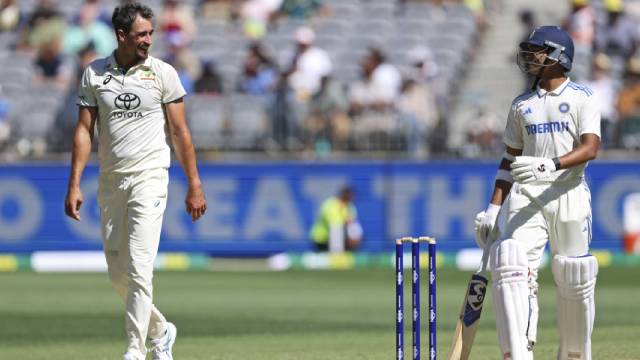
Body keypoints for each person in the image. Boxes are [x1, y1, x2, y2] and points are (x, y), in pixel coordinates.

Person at [64, 3, 207, 360]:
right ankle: (161, 331)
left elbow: (180, 131)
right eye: (141, 34)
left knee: (141, 266)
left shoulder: (163, 73)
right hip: (112, 181)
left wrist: (194, 183)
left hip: (151, 177)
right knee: (118, 273)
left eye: (150, 33)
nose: (148, 40)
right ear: (121, 35)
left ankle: (134, 349)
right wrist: (74, 183)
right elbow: (84, 131)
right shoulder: (95, 74)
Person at [475, 26, 600, 359]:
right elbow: (508, 158)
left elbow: (590, 148)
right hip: (526, 194)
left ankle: (574, 354)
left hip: (568, 192)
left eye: (537, 50)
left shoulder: (581, 97)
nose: (529, 56)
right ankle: (518, 352)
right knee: (509, 261)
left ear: (559, 56)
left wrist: (552, 165)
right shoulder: (521, 105)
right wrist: (493, 207)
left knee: (574, 275)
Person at [310, 186, 363, 252]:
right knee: (336, 229)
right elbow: (334, 224)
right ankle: (336, 254)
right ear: (344, 195)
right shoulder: (330, 204)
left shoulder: (350, 207)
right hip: (322, 238)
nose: (352, 198)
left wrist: (356, 236)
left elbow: (353, 223)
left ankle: (341, 254)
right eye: (350, 196)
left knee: (356, 233)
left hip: (340, 237)